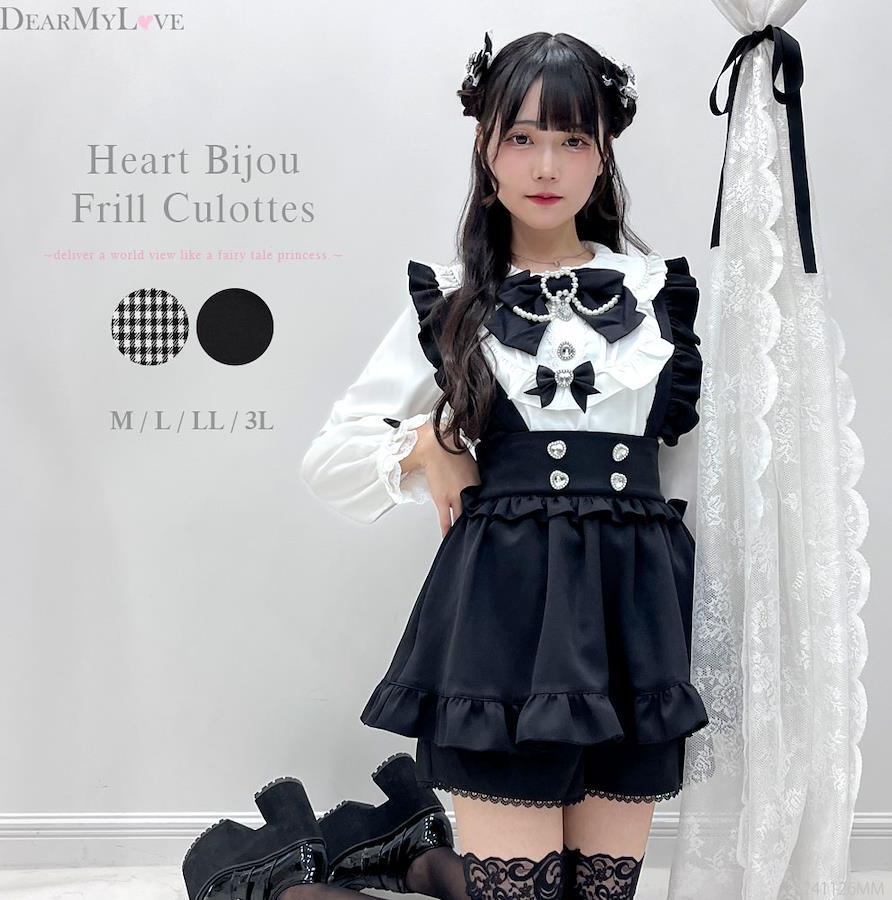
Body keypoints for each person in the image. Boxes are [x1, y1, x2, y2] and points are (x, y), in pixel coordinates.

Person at [182, 30, 708, 900]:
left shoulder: (659, 296)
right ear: (484, 144)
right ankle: (328, 870)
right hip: (503, 624)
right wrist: (424, 448)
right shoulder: (457, 297)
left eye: (573, 138)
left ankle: (411, 853)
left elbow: (692, 474)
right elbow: (329, 457)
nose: (547, 164)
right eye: (522, 136)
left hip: (633, 627)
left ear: (605, 150)